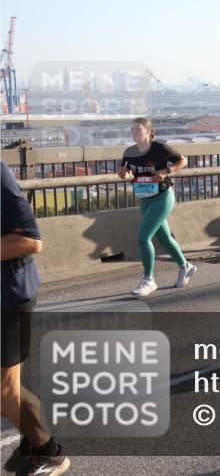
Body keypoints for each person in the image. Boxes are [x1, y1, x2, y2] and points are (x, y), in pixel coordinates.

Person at [1, 162, 71, 476]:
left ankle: (48, 452)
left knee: (4, 390)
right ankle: (33, 440)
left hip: (9, 294)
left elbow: (31, 240)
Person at [118, 117, 196, 298]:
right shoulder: (129, 152)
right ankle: (186, 266)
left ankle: (149, 280)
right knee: (165, 238)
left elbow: (182, 161)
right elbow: (127, 173)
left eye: (138, 129)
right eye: (132, 130)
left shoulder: (160, 148)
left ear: (148, 131)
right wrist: (123, 173)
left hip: (163, 196)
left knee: (143, 237)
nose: (134, 133)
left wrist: (165, 171)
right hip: (144, 198)